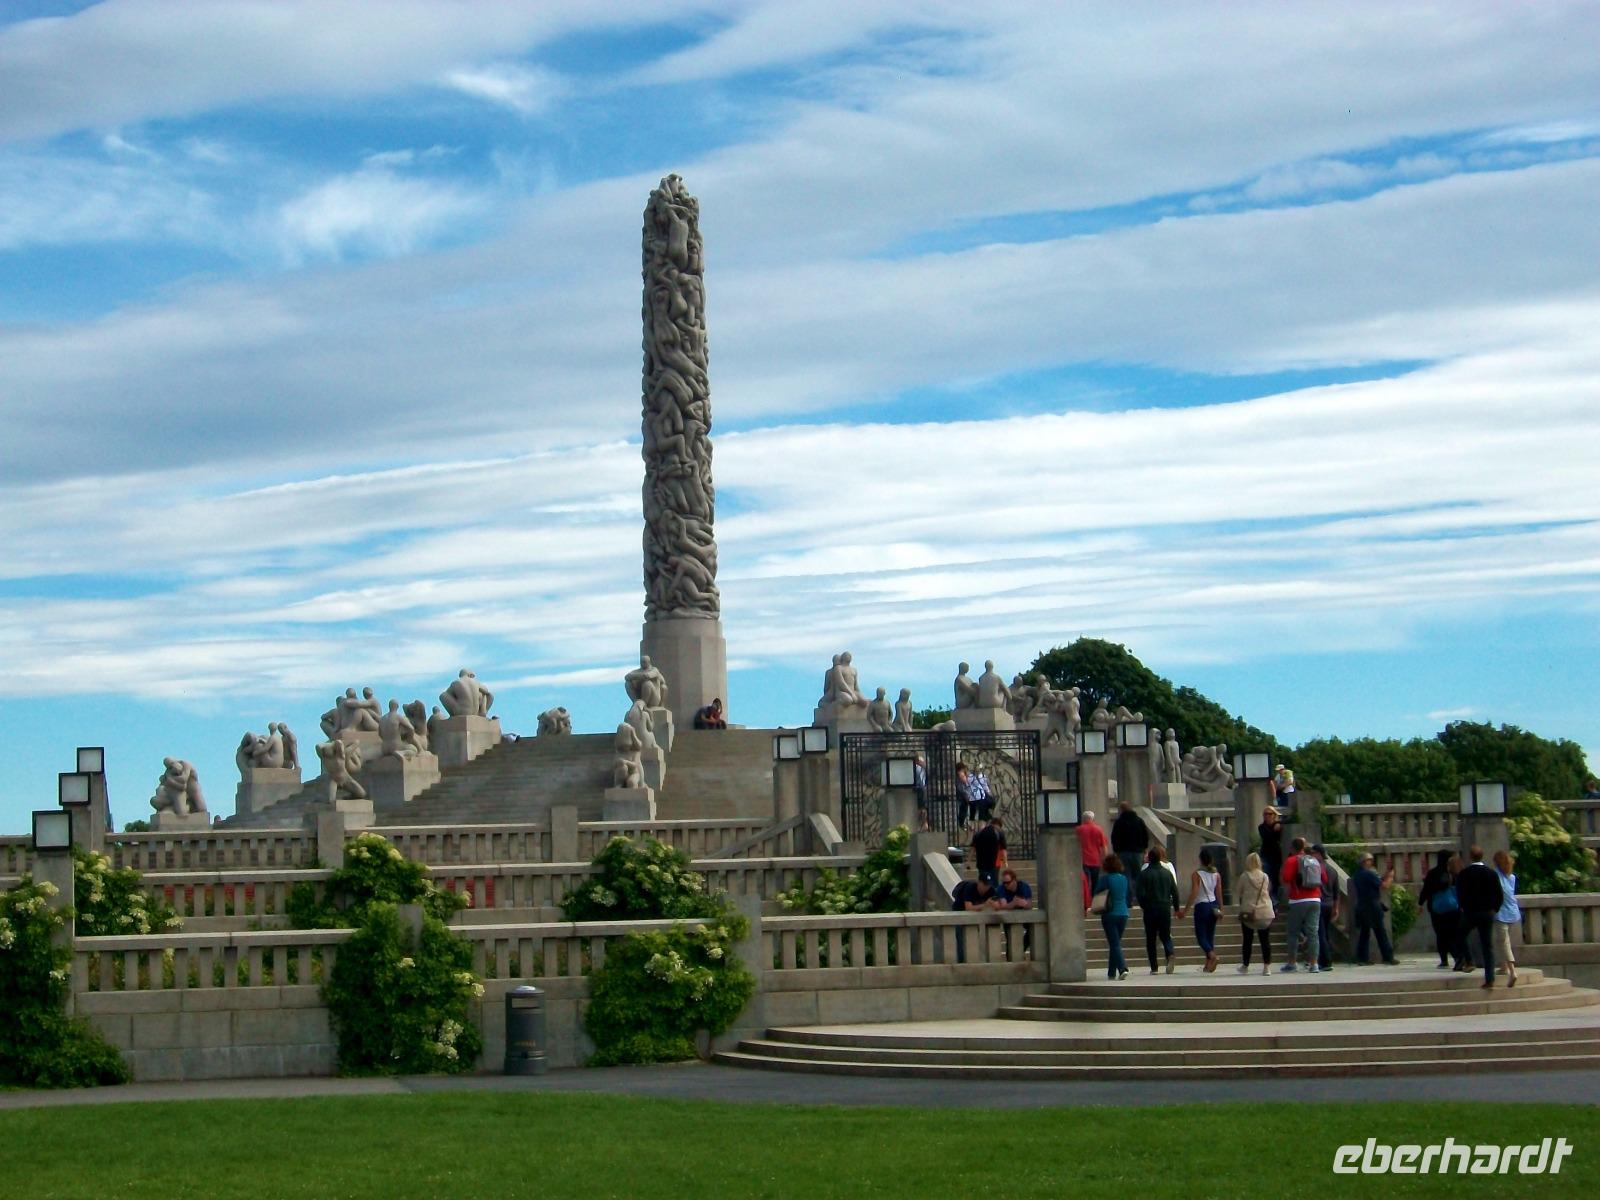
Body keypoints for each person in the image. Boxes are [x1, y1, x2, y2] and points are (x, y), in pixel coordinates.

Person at [1455, 845, 1505, 989]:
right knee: (1487, 946)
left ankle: (1469, 960)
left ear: (1470, 857)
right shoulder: (1491, 873)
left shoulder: (1464, 874)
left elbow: (1460, 894)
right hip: (1487, 913)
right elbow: (1499, 895)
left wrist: (1464, 907)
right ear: (1482, 856)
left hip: (1471, 912)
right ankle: (1490, 979)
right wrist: (1494, 909)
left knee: (1460, 935)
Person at [1279, 836, 1326, 973]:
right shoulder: (1314, 860)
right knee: (1313, 933)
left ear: (1293, 848)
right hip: (1315, 899)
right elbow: (1324, 878)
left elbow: (1286, 878)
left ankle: (1292, 963)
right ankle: (1314, 964)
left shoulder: (1292, 860)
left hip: (1298, 899)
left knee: (1293, 932)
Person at [1135, 846, 1181, 974]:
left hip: (1150, 908)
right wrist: (1176, 908)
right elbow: (1175, 892)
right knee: (1165, 935)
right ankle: (1170, 953)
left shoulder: (1144, 874)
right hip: (1165, 907)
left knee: (1151, 938)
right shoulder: (1167, 873)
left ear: (1149, 858)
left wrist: (1144, 905)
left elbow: (1139, 893)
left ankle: (1154, 967)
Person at [1417, 848, 1462, 970]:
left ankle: (1444, 960)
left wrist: (1420, 903)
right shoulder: (1455, 873)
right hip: (1453, 907)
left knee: (1441, 934)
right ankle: (1457, 956)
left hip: (1436, 908)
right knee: (1453, 933)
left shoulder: (1433, 873)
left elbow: (1426, 890)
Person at [1351, 853, 1399, 965]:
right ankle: (1387, 956)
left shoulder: (1358, 874)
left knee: (1364, 933)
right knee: (1380, 932)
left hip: (1362, 905)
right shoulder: (1368, 874)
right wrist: (1391, 876)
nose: (1371, 862)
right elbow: (1384, 886)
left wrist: (1384, 876)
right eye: (1369, 860)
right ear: (1364, 862)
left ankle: (1362, 957)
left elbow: (1376, 882)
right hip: (1372, 906)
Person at [1093, 854, 1132, 980]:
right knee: (1115, 943)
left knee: (1114, 943)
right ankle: (1111, 972)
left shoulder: (1105, 879)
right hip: (1123, 913)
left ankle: (1122, 968)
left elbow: (1097, 892)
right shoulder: (1124, 879)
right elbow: (1127, 894)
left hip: (1110, 913)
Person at [1235, 852, 1275, 974]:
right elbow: (1268, 890)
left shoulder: (1244, 876)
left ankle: (1245, 966)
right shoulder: (1265, 877)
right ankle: (1266, 967)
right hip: (1265, 911)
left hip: (1249, 911)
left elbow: (1239, 892)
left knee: (1247, 940)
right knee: (1265, 940)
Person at [1185, 847, 1223, 973]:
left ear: (1200, 860)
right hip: (1213, 905)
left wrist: (1186, 908)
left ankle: (1212, 956)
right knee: (1210, 935)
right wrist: (1221, 908)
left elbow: (1194, 892)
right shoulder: (1216, 874)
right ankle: (1208, 964)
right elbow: (1218, 893)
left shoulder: (1197, 874)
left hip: (1201, 905)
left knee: (1201, 935)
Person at [1492, 849, 1521, 988]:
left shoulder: (1495, 876)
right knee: (1502, 940)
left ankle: (1512, 971)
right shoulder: (1512, 877)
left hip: (1501, 913)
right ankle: (1503, 966)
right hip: (1513, 912)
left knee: (1504, 943)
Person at [1311, 844, 1340, 971]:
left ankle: (1325, 961)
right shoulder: (1333, 870)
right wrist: (1336, 907)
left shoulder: (1315, 868)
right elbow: (1337, 891)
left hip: (1319, 903)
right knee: (1326, 933)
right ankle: (1326, 958)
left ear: (1318, 854)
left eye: (1313, 853)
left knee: (1320, 934)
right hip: (1329, 904)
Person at [1111, 800, 1149, 883]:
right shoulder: (1139, 821)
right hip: (1137, 852)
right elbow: (1145, 836)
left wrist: (1116, 850)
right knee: (1138, 874)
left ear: (1121, 809)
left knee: (1125, 875)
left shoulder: (1119, 822)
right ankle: (1137, 894)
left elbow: (1114, 838)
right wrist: (1145, 848)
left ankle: (1129, 895)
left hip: (1123, 852)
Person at [1076, 812, 1109, 895]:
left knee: (1085, 883)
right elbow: (1104, 846)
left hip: (1083, 859)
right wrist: (1105, 859)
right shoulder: (1098, 829)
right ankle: (1094, 899)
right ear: (1092, 818)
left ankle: (1086, 900)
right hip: (1095, 859)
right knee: (1095, 882)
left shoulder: (1079, 829)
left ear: (1084, 819)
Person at [1257, 806, 1284, 902]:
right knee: (1268, 877)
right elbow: (1268, 837)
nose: (1267, 816)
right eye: (1265, 814)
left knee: (1277, 877)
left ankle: (1276, 899)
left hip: (1277, 855)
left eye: (1270, 814)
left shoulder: (1278, 825)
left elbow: (1289, 820)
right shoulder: (1262, 827)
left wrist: (1279, 824)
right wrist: (1275, 829)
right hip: (1266, 855)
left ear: (1274, 815)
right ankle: (1271, 899)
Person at [971, 816, 1005, 887]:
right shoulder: (998, 833)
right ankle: (994, 896)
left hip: (982, 862)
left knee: (983, 880)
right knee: (994, 881)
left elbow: (973, 848)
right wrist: (1005, 861)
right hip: (995, 862)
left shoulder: (980, 833)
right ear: (998, 825)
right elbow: (1003, 849)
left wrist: (968, 861)